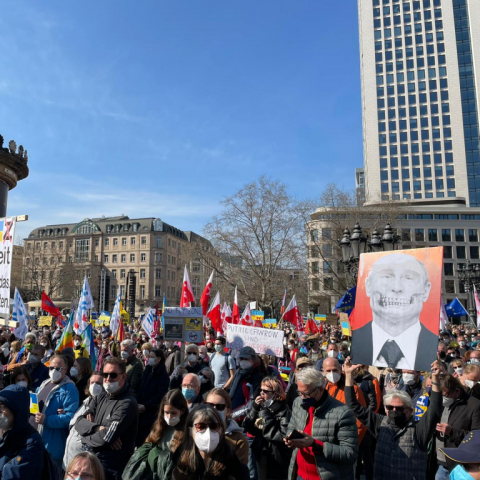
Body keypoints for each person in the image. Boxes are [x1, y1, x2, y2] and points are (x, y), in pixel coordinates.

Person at [344, 358, 443, 480]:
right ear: (385, 409)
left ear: (410, 411)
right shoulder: (380, 423)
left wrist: (436, 379)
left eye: (400, 408)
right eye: (390, 407)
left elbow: (435, 410)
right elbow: (353, 406)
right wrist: (348, 375)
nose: (394, 411)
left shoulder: (419, 430)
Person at [350, 253, 438, 370]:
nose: (397, 288)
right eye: (386, 276)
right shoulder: (356, 347)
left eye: (409, 278)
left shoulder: (434, 351)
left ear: (426, 290)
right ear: (368, 286)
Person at [284, 366, 358, 480]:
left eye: (307, 394)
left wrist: (315, 445)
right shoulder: (298, 403)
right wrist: (290, 439)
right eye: (300, 393)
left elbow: (350, 454)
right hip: (300, 474)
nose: (302, 398)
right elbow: (292, 426)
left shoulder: (343, 413)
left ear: (320, 389)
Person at [74, 357, 139, 480]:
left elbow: (105, 438)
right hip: (94, 463)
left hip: (112, 469)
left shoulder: (127, 403)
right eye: (105, 374)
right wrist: (98, 428)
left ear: (123, 377)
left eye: (113, 375)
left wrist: (85, 437)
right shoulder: (100, 397)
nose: (108, 379)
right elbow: (79, 422)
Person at [171, 405, 250, 480]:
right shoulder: (180, 464)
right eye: (200, 427)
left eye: (214, 426)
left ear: (221, 430)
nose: (208, 433)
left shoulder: (235, 469)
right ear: (190, 431)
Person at [123, 390, 189, 480]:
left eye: (173, 413)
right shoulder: (159, 427)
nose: (169, 417)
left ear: (182, 411)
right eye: (167, 412)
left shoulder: (187, 433)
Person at [34, 354, 80, 471]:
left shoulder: (69, 389)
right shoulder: (45, 383)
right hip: (38, 441)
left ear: (65, 370)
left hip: (52, 446)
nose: (54, 371)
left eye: (58, 368)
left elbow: (71, 417)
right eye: (51, 367)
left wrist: (47, 420)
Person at [244, 377, 292, 480]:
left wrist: (265, 414)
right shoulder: (261, 406)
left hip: (276, 457)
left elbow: (281, 437)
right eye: (261, 390)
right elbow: (247, 426)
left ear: (275, 393)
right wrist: (254, 408)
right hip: (260, 453)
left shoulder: (284, 410)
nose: (262, 393)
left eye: (265, 391)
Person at [435, 374, 480, 480]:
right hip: (439, 463)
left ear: (457, 390)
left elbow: (477, 438)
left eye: (445, 395)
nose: (443, 399)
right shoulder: (439, 403)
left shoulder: (474, 405)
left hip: (460, 466)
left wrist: (452, 432)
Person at [0, 384, 44, 479]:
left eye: (3, 408)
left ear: (17, 411)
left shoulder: (32, 441)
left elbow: (13, 475)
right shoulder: (3, 431)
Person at [63, 372, 104, 470]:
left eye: (98, 383)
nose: (94, 385)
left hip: (83, 466)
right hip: (69, 462)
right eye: (92, 382)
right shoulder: (85, 403)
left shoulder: (103, 407)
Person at [322, 357, 368, 444]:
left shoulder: (352, 390)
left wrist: (352, 444)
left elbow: (360, 421)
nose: (332, 373)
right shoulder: (322, 388)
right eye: (328, 371)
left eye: (335, 370)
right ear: (323, 371)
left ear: (340, 368)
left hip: (346, 441)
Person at [205, 388, 249, 465]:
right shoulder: (197, 432)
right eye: (210, 405)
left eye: (220, 407)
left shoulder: (239, 440)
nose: (214, 410)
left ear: (228, 411)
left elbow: (239, 473)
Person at [136, 348, 169, 446]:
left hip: (151, 412)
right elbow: (140, 388)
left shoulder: (163, 375)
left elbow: (160, 396)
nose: (149, 359)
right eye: (149, 356)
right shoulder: (147, 370)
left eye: (152, 357)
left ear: (158, 359)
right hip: (140, 410)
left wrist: (146, 406)